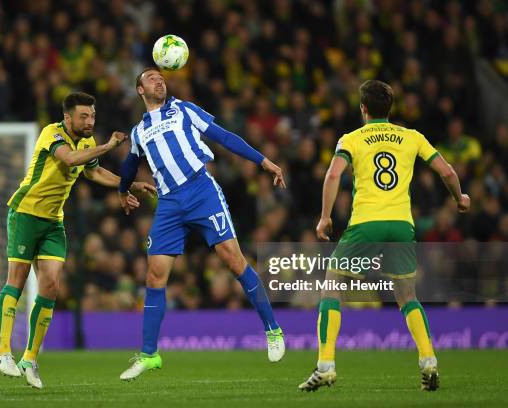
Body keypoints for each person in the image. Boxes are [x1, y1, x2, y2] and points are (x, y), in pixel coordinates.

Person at [299, 80, 470, 392]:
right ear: (390, 108)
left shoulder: (351, 138)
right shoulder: (411, 136)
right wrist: (460, 198)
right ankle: (428, 360)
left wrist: (325, 217)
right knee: (407, 296)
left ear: (363, 109)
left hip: (366, 222)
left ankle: (325, 364)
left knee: (332, 286)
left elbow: (334, 174)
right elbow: (447, 172)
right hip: (402, 225)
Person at [117, 67, 287, 381]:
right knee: (155, 276)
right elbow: (130, 165)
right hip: (169, 203)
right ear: (140, 90)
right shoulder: (139, 130)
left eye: (161, 77)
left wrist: (264, 161)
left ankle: (273, 330)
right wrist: (122, 190)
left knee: (234, 261)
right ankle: (149, 355)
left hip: (201, 191)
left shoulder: (183, 109)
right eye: (151, 78)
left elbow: (223, 137)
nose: (159, 80)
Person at [0, 91, 155, 389]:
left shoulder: (88, 143)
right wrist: (108, 146)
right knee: (17, 279)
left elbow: (93, 173)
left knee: (52, 285)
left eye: (92, 115)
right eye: (84, 116)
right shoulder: (51, 134)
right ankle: (3, 351)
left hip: (54, 221)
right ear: (68, 117)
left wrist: (129, 184)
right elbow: (69, 159)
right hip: (26, 213)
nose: (90, 120)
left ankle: (30, 359)